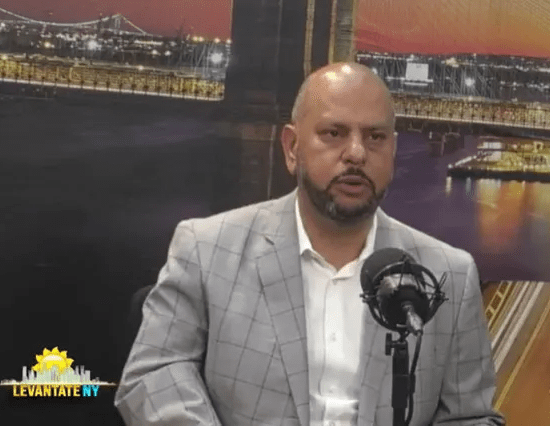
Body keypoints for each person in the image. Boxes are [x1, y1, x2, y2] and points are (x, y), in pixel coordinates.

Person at [114, 62, 505, 426]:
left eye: (375, 137)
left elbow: (470, 417)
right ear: (291, 147)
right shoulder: (206, 249)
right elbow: (153, 373)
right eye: (334, 133)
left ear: (393, 151)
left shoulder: (449, 275)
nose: (356, 153)